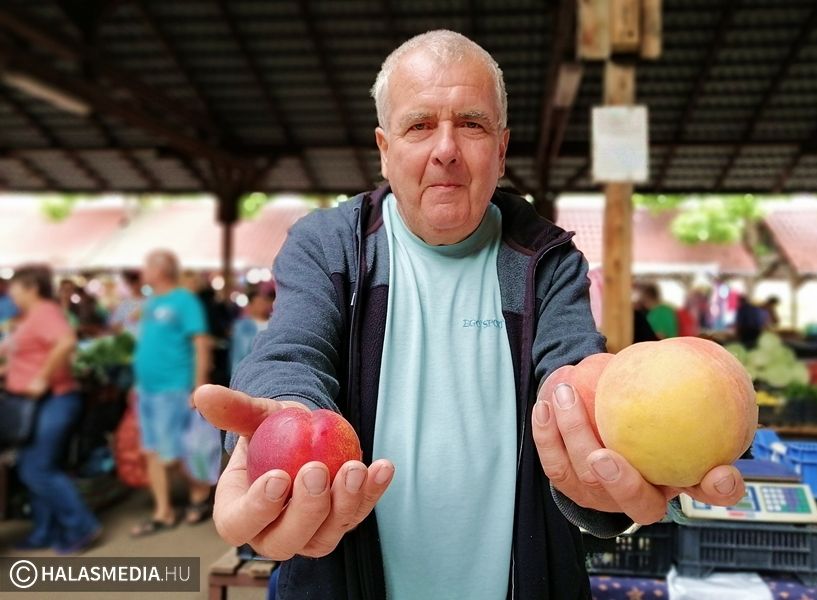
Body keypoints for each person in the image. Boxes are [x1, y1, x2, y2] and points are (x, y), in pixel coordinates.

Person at [193, 30, 746, 599]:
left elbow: (570, 375)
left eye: (473, 125)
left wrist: (591, 443)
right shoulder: (329, 246)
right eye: (419, 125)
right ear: (385, 149)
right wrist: (290, 423)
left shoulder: (547, 261)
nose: (446, 149)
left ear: (502, 150)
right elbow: (291, 352)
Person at [1, 265, 101, 553]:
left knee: (37, 468)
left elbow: (66, 341)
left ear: (31, 287)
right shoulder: (29, 317)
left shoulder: (45, 311)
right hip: (35, 404)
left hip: (55, 400)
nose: (11, 294)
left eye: (16, 288)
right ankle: (45, 531)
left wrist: (42, 377)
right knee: (31, 465)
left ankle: (82, 525)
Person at [131, 250, 213, 536]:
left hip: (173, 388)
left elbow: (201, 342)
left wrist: (198, 386)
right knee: (152, 451)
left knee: (176, 452)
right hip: (147, 391)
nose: (142, 270)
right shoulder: (152, 302)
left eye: (146, 265)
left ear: (160, 269)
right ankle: (162, 512)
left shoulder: (184, 300)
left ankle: (201, 493)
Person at [229, 286, 275, 375]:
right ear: (251, 305)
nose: (263, 306)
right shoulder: (242, 326)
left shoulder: (275, 323)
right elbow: (237, 354)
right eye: (258, 303)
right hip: (248, 371)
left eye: (264, 302)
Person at [109, 270, 144, 338]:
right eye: (132, 283)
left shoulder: (151, 301)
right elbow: (114, 326)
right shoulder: (124, 304)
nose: (135, 286)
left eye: (138, 282)